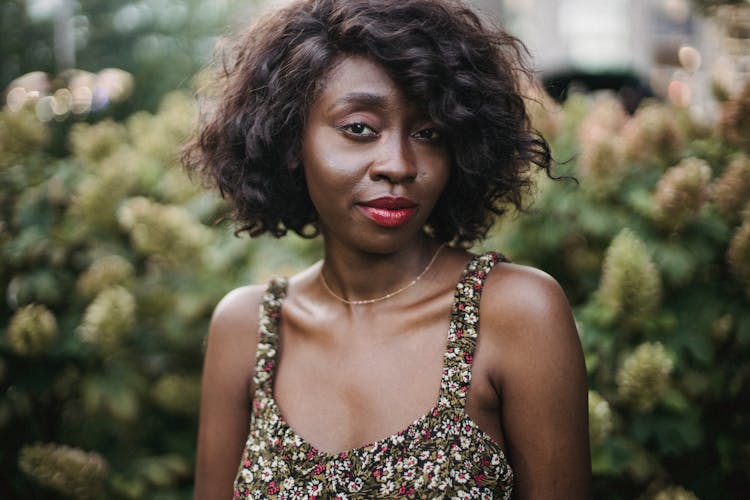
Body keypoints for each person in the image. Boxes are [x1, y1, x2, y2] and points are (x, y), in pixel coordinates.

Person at [183, 0, 591, 498]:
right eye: (359, 129)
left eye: (428, 133)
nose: (398, 163)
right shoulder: (246, 329)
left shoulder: (516, 314)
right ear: (292, 142)